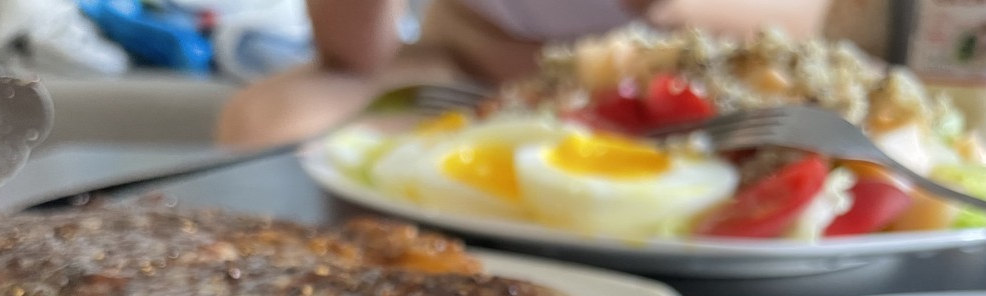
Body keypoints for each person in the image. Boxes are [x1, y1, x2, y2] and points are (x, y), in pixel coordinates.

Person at [215, 0, 890, 148]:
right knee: (269, 121)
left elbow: (810, 24)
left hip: (680, 80)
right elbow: (356, 54)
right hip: (468, 68)